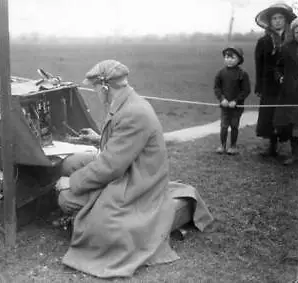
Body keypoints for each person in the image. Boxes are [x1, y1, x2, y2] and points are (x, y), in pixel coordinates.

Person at [54, 59, 214, 278]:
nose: (96, 92)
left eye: (96, 87)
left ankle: (96, 211)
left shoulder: (132, 113)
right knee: (70, 163)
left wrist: (71, 183)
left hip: (135, 180)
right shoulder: (129, 101)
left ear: (106, 86)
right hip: (130, 167)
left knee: (65, 198)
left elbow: (110, 167)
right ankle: (88, 202)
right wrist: (98, 138)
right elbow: (121, 144)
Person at [254, 3, 297, 157]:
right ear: (270, 21)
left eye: (280, 18)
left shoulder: (292, 40)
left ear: (286, 20)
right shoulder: (263, 41)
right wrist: (259, 85)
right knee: (269, 114)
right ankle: (272, 146)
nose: (277, 21)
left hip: (287, 84)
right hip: (269, 84)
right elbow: (259, 65)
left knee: (287, 114)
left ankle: (293, 149)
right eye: (274, 18)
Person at [214, 46, 251, 155]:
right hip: (225, 106)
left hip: (236, 107)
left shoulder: (243, 74)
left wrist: (236, 101)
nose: (229, 60)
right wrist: (222, 99)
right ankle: (222, 145)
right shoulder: (220, 73)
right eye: (226, 57)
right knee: (224, 126)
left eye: (232, 57)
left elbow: (246, 90)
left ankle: (233, 146)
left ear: (239, 60)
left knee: (234, 125)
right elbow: (217, 88)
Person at [273, 17, 298, 165]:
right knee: (294, 123)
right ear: (293, 32)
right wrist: (281, 78)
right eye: (297, 31)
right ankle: (295, 154)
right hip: (292, 92)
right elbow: (277, 67)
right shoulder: (286, 48)